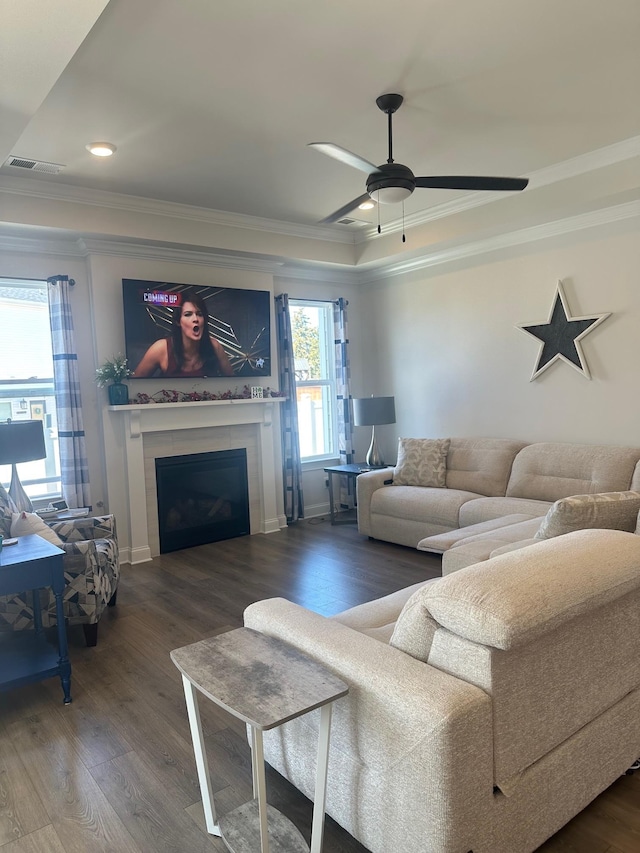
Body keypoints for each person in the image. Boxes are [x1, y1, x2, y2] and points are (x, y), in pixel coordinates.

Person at [133, 290, 234, 378]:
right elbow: (133, 386)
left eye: (199, 314)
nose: (195, 319)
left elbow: (235, 385)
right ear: (178, 321)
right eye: (188, 314)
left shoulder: (214, 346)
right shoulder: (161, 348)